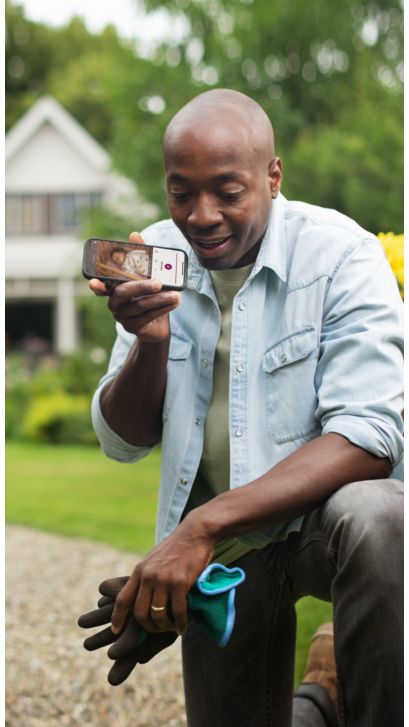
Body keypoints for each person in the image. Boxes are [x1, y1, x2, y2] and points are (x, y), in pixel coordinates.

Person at [88, 89, 403, 726]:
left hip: (313, 529)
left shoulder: (343, 255)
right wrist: (150, 346)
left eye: (227, 192)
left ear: (272, 177)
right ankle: (320, 694)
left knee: (379, 516)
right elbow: (123, 441)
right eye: (182, 192)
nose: (201, 216)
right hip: (229, 556)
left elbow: (369, 436)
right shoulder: (156, 256)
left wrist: (196, 531)